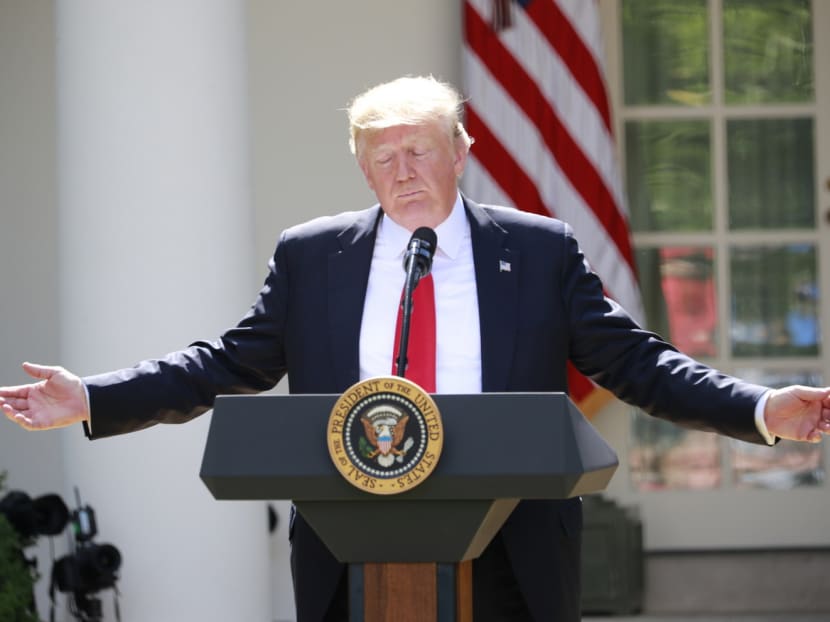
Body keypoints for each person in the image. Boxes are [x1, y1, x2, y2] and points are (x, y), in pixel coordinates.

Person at [2, 75, 830, 622]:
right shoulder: (312, 255)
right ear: (362, 170)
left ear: (461, 152)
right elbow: (229, 361)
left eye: (419, 150)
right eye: (382, 156)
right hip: (347, 543)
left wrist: (758, 408)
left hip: (513, 545)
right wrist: (95, 396)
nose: (402, 172)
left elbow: (635, 362)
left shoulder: (538, 250)